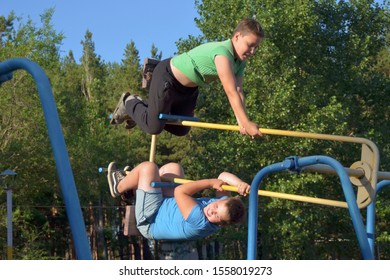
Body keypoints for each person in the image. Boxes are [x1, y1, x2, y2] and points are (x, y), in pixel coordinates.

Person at [110, 18, 264, 138]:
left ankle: (147, 110)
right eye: (250, 45)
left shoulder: (240, 62)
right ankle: (129, 102)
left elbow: (238, 90)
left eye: (256, 47)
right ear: (237, 37)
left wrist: (241, 121)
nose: (252, 51)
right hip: (168, 78)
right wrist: (246, 122)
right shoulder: (222, 54)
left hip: (188, 91)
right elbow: (230, 91)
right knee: (153, 127)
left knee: (182, 128)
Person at [107, 161, 250, 240]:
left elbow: (180, 191)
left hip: (150, 220)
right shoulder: (222, 206)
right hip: (166, 205)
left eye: (217, 216)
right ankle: (131, 190)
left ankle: (118, 186)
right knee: (173, 168)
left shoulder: (200, 221)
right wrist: (239, 185)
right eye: (217, 206)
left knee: (148, 168)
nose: (212, 210)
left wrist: (209, 182)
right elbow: (223, 176)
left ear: (220, 223)